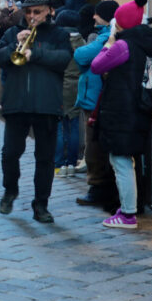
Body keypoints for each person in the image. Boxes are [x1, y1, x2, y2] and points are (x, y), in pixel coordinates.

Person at [0, 0, 71, 223]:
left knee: (45, 158)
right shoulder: (12, 33)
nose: (32, 16)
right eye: (28, 12)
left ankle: (41, 204)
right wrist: (13, 46)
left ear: (48, 11)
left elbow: (63, 59)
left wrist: (34, 53)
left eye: (37, 11)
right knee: (10, 153)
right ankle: (10, 190)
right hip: (17, 103)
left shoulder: (59, 34)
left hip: (46, 104)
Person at [89, 0, 152, 230]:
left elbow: (96, 65)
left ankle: (128, 214)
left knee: (120, 161)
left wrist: (110, 41)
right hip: (136, 111)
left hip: (123, 112)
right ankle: (127, 207)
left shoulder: (123, 45)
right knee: (125, 161)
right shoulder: (144, 42)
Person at [74, 0, 119, 211]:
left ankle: (97, 188)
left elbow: (81, 55)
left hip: (96, 100)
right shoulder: (104, 35)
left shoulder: (105, 37)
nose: (93, 17)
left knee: (93, 147)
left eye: (97, 14)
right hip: (93, 98)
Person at [54, 10, 85, 177]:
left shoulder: (57, 41)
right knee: (74, 127)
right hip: (76, 88)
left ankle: (59, 165)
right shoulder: (83, 42)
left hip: (58, 86)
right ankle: (72, 164)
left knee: (58, 127)